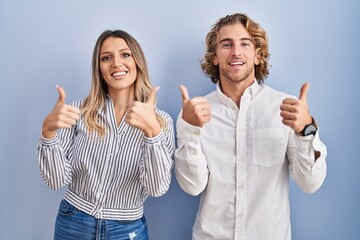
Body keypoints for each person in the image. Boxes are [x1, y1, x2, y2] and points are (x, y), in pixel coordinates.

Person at [175, 13, 327, 240]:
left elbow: (310, 183)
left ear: (257, 55)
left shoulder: (286, 109)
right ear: (214, 56)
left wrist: (306, 131)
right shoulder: (194, 113)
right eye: (226, 44)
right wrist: (190, 129)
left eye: (245, 44)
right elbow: (192, 186)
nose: (236, 52)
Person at [36, 29, 175, 239]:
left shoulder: (161, 121)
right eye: (106, 58)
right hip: (73, 222)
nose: (116, 63)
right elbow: (56, 181)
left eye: (125, 55)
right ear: (99, 69)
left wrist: (152, 133)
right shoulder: (77, 112)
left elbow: (156, 189)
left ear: (137, 62)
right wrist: (48, 133)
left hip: (127, 228)